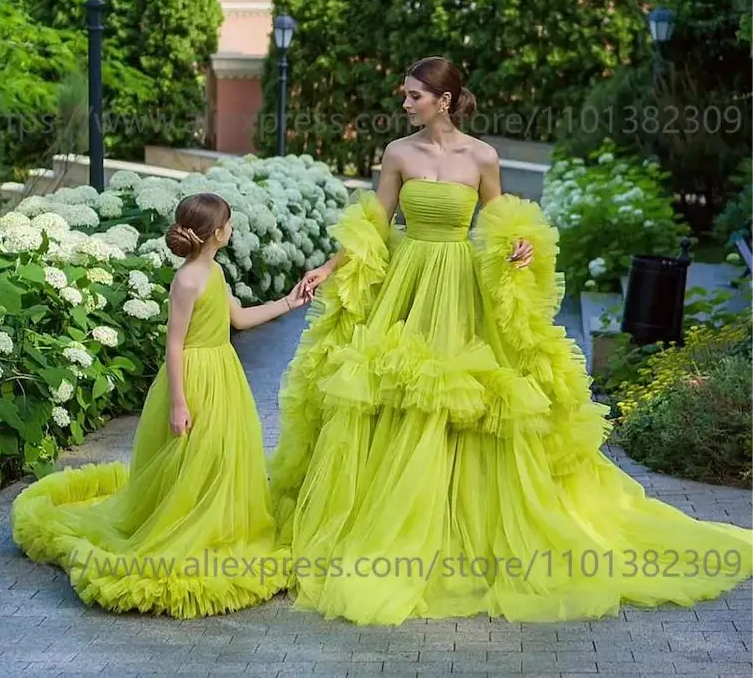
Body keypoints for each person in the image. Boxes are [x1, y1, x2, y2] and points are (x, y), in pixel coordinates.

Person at [269, 56, 753, 626]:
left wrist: (519, 244)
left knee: (465, 395)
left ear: (443, 100)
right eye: (404, 96)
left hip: (463, 287)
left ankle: (462, 528)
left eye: (414, 96)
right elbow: (376, 220)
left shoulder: (482, 156)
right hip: (408, 286)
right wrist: (330, 268)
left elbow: (500, 219)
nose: (405, 105)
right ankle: (391, 522)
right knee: (399, 388)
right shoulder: (398, 154)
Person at [12, 192, 305, 619]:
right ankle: (180, 528)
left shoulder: (217, 271)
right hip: (192, 376)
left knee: (221, 454)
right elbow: (174, 344)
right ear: (214, 233)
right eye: (228, 222)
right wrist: (179, 403)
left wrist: (289, 303)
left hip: (224, 373)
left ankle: (216, 525)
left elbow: (238, 320)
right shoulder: (187, 281)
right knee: (188, 458)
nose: (232, 227)